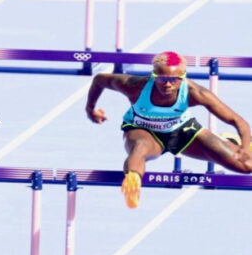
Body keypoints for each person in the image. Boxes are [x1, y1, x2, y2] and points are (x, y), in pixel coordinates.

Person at [85, 50, 252, 209]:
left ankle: (231, 142)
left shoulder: (195, 92)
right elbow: (99, 80)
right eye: (162, 78)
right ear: (153, 76)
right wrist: (90, 109)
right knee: (140, 147)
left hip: (181, 130)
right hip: (143, 130)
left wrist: (244, 147)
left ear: (183, 77)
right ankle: (133, 182)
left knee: (246, 166)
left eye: (175, 79)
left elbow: (237, 120)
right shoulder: (135, 86)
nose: (168, 84)